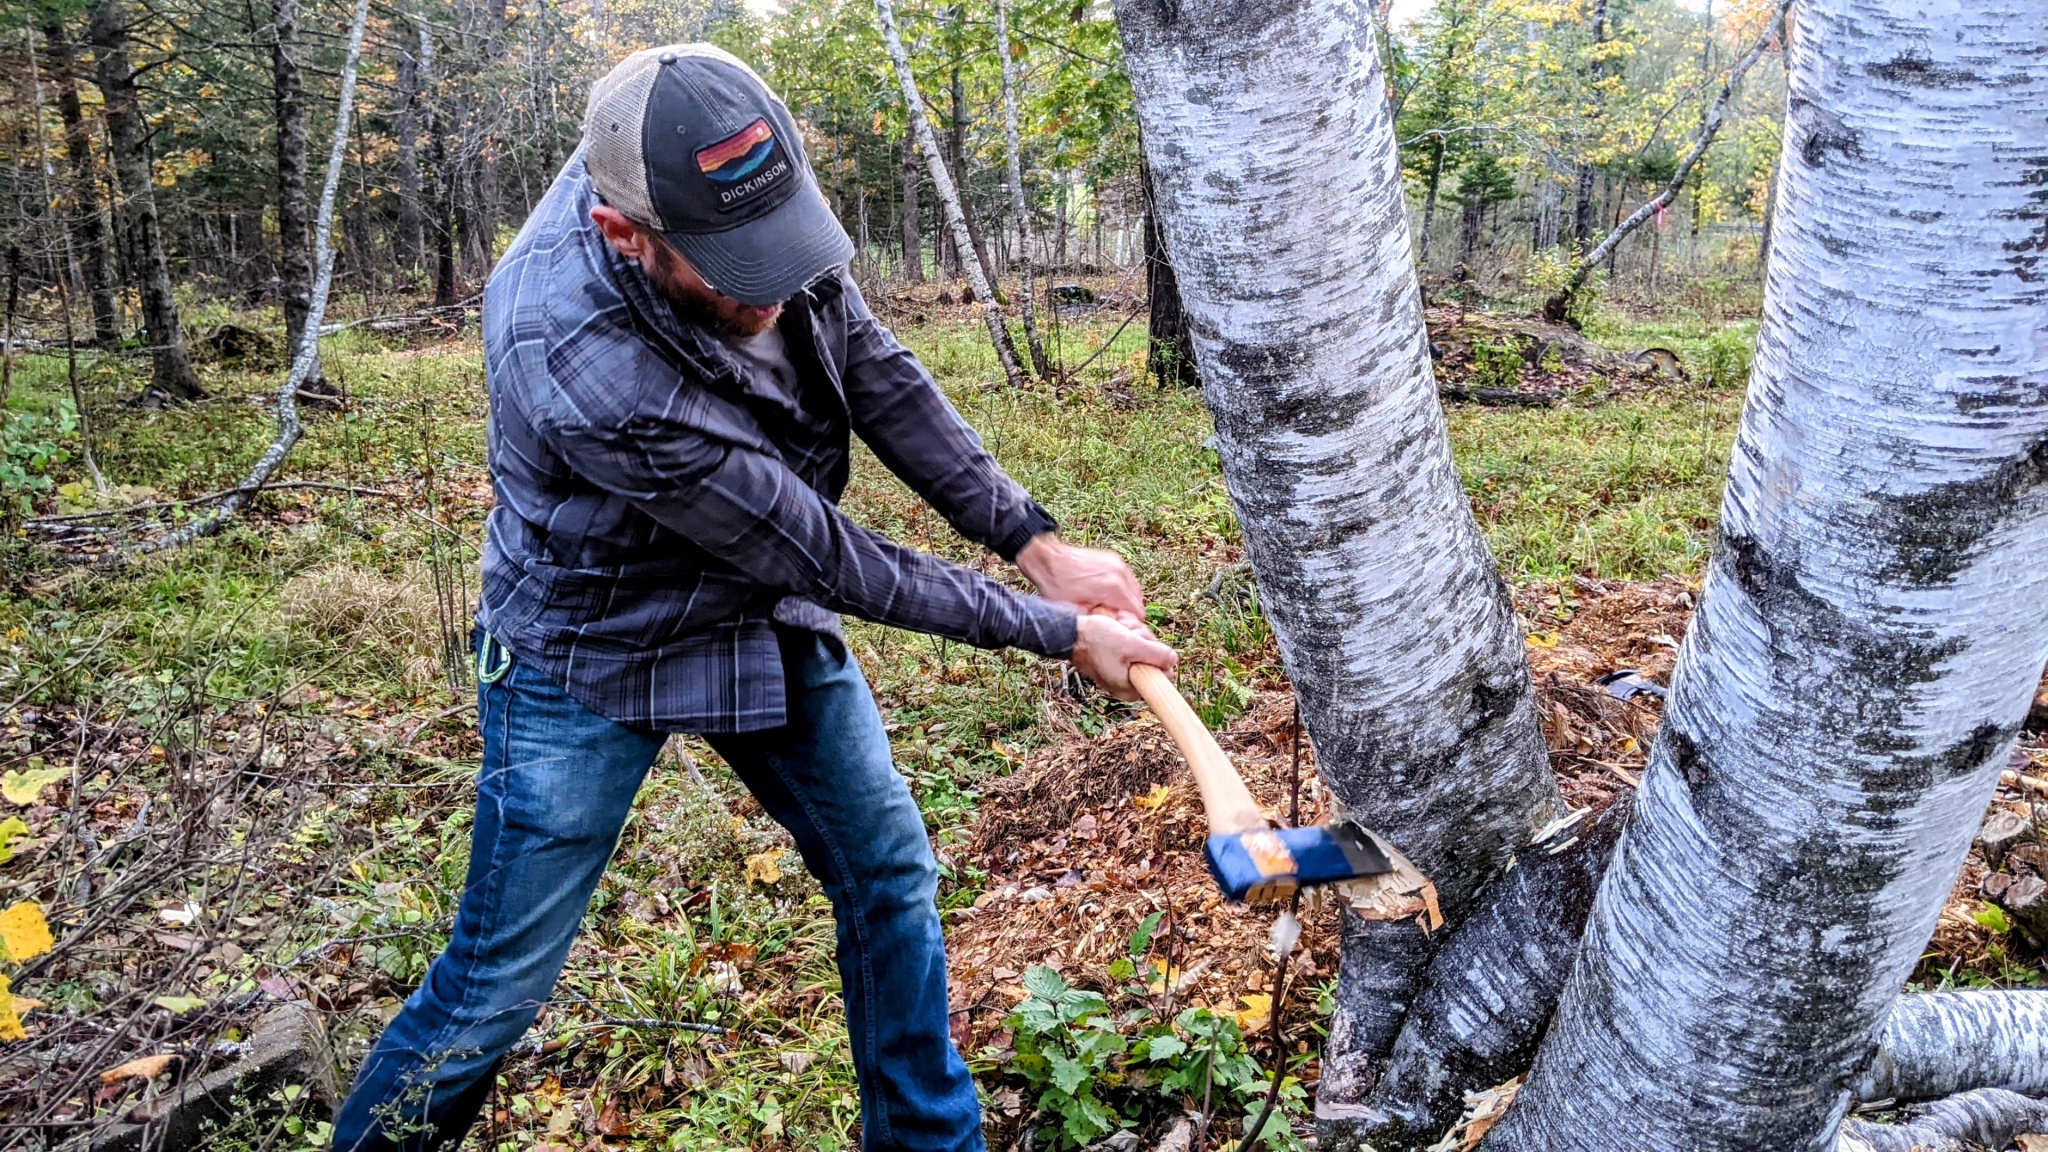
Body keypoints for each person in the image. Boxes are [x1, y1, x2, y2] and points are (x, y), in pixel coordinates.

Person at [333, 44, 1175, 1152]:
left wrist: (1032, 541)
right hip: (592, 643)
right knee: (498, 982)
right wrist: (1058, 631)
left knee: (886, 872)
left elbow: (871, 365)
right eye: (736, 274)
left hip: (753, 612)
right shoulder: (580, 360)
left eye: (784, 249)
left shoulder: (717, 178)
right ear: (623, 233)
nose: (775, 292)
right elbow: (823, 556)